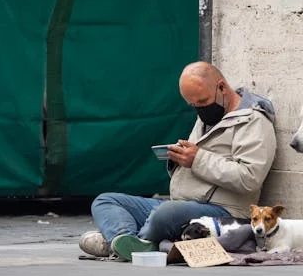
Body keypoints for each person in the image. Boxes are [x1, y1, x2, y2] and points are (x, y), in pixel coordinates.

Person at [78, 61, 277, 260]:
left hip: (222, 210)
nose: (199, 109)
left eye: (202, 102)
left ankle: (124, 243)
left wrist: (197, 158)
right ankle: (124, 240)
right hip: (182, 204)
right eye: (193, 105)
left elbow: (250, 177)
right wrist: (179, 158)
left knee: (165, 213)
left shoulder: (253, 121)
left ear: (222, 88)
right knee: (105, 201)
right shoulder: (210, 113)